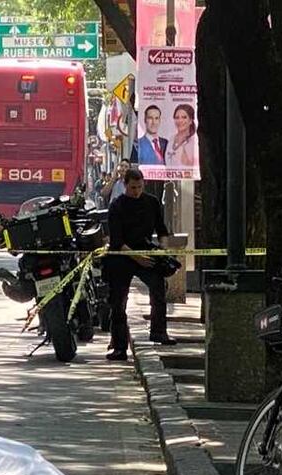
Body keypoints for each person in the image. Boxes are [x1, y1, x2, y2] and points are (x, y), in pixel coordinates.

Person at [104, 167, 175, 361]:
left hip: (145, 250)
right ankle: (119, 346)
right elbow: (117, 241)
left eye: (140, 187)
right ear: (125, 185)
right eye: (133, 187)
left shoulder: (151, 202)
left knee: (159, 288)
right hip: (122, 256)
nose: (136, 191)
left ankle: (159, 331)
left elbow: (162, 230)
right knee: (118, 302)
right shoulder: (117, 206)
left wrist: (163, 249)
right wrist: (137, 258)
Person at [165, 104, 197, 168]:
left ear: (190, 121)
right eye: (177, 117)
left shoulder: (194, 141)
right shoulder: (171, 139)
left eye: (184, 117)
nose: (180, 121)